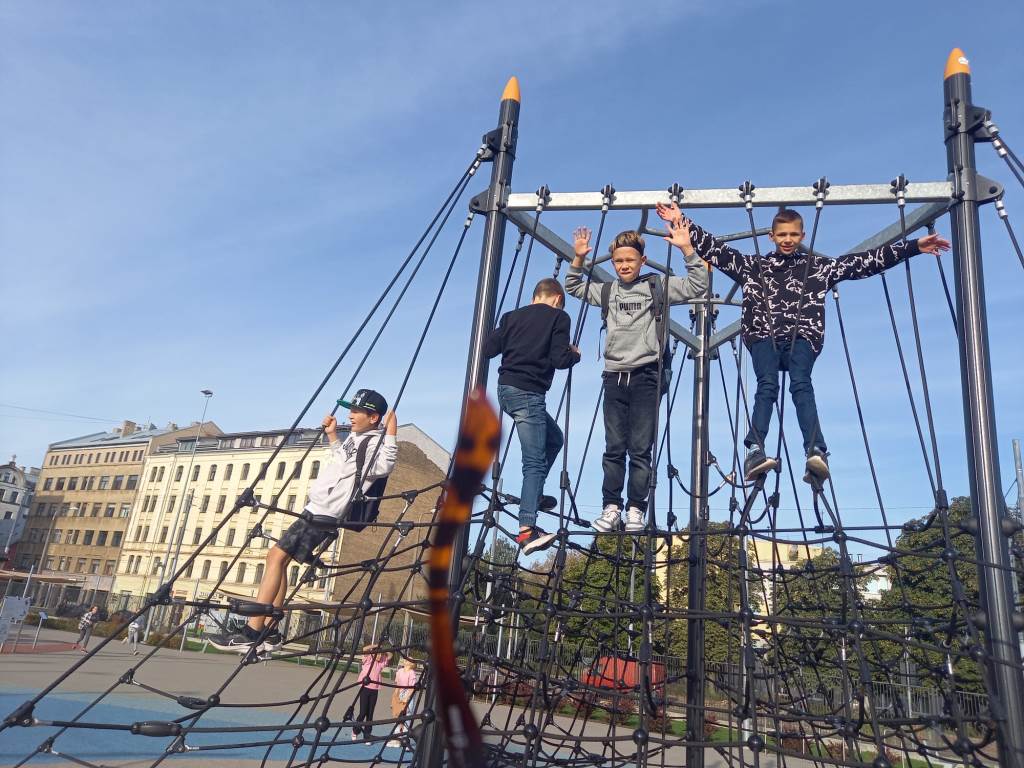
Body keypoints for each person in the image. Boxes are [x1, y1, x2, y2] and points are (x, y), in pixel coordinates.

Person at [655, 202, 950, 483]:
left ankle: (816, 449)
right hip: (764, 334)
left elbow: (862, 263)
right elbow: (717, 250)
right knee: (767, 385)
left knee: (801, 384)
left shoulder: (817, 268)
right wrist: (681, 220)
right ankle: (755, 449)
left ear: (802, 236)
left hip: (802, 335)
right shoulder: (753, 267)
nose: (788, 240)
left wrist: (914, 246)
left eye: (793, 234)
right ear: (771, 237)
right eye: (782, 234)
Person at [208, 389, 398, 653]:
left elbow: (386, 465)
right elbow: (342, 462)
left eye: (356, 411)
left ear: (374, 417)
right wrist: (332, 435)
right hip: (317, 509)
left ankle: (253, 630)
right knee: (279, 561)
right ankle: (270, 631)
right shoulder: (357, 438)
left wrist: (391, 431)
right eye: (350, 410)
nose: (350, 415)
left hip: (325, 513)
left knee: (275, 558)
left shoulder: (375, 443)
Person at [565, 225, 709, 532]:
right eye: (619, 261)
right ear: (612, 263)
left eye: (630, 260)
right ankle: (611, 506)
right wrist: (578, 258)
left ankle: (635, 509)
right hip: (614, 376)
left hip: (646, 376)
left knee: (641, 448)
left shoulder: (657, 286)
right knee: (614, 447)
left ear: (642, 261)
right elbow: (573, 287)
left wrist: (686, 248)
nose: (624, 265)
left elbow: (698, 284)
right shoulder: (607, 291)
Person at [483, 278, 580, 554]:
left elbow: (488, 349)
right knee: (534, 462)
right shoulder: (559, 318)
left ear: (534, 297)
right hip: (529, 393)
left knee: (554, 438)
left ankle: (534, 496)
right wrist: (574, 354)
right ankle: (527, 530)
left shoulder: (511, 317)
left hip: (506, 391)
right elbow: (560, 360)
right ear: (558, 299)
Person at [344, 644, 391, 741]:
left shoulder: (381, 662)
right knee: (363, 712)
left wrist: (383, 651)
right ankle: (355, 731)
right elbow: (364, 649)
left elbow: (390, 655)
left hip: (375, 689)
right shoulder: (369, 658)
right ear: (373, 653)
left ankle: (367, 736)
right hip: (365, 688)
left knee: (370, 714)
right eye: (378, 654)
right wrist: (376, 645)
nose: (379, 656)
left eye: (381, 655)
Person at [387, 657, 419, 747]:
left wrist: (406, 698)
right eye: (406, 659)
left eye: (409, 660)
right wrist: (394, 698)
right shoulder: (400, 671)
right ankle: (396, 739)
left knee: (407, 716)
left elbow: (412, 688)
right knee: (398, 716)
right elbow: (397, 685)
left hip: (408, 695)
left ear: (412, 664)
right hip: (400, 693)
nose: (406, 660)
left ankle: (405, 740)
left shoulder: (412, 673)